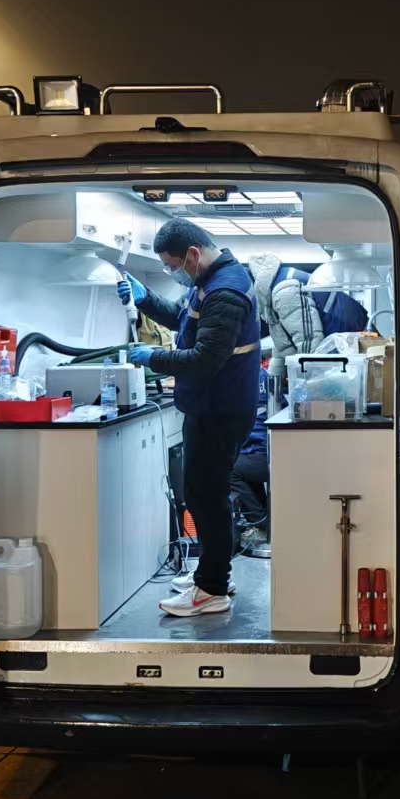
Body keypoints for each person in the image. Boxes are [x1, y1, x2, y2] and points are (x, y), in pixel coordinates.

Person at [117, 219, 261, 617]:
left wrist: (154, 358)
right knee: (206, 495)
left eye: (172, 265)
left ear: (193, 254)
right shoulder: (210, 282)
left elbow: (204, 360)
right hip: (214, 407)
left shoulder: (226, 291)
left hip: (219, 411)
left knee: (205, 497)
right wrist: (145, 299)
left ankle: (210, 589)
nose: (172, 272)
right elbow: (185, 322)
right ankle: (214, 575)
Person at [230, 364, 270, 555]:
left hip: (262, 453)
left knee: (229, 471)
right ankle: (263, 522)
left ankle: (263, 525)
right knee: (243, 469)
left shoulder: (235, 377)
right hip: (271, 450)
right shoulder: (263, 374)